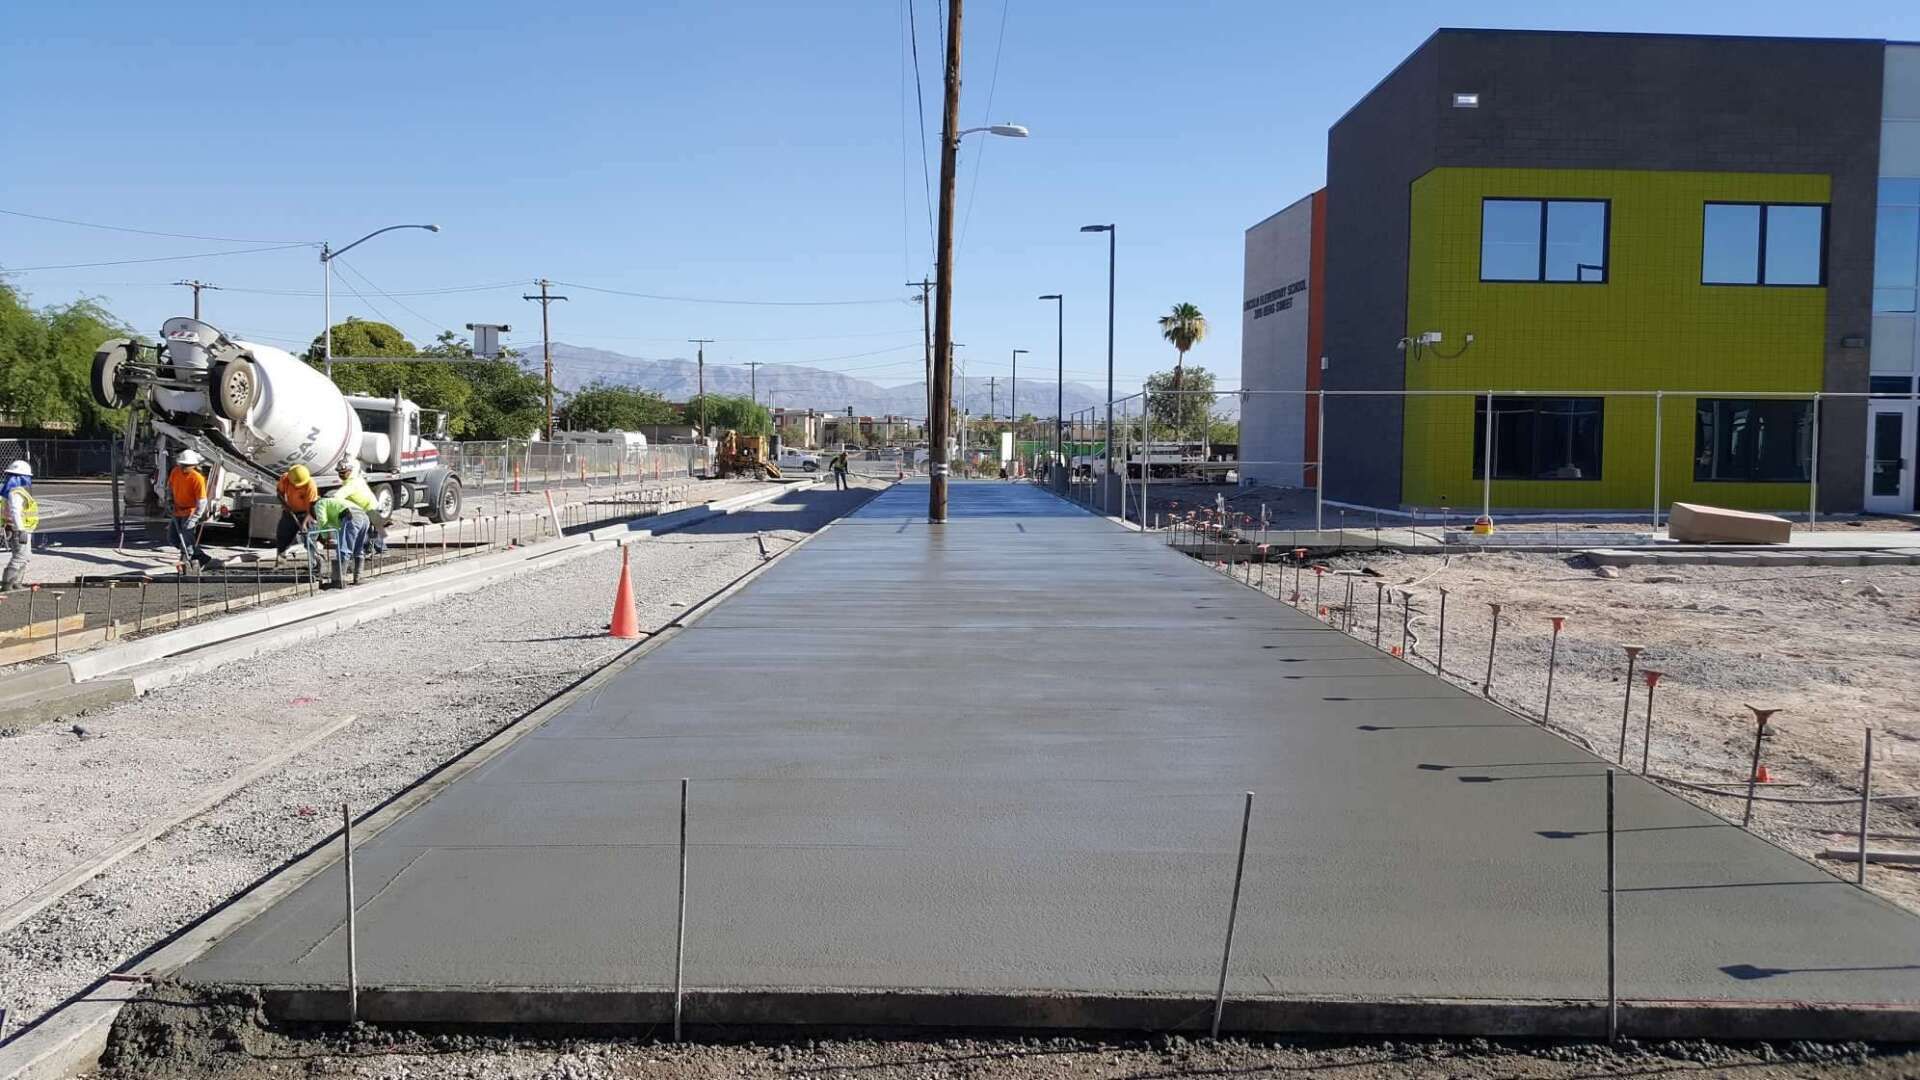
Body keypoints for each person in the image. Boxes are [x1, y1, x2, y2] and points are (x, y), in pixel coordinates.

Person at [167, 450, 217, 569]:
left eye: (187, 466)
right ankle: (202, 557)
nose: (184, 467)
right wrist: (169, 500)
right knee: (172, 538)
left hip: (190, 511)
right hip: (178, 509)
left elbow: (202, 501)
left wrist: (194, 518)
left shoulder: (197, 478)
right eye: (183, 465)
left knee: (187, 538)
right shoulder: (175, 472)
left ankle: (188, 560)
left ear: (193, 465)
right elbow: (170, 487)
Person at [311, 494, 369, 587]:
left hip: (351, 516)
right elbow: (339, 528)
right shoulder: (333, 502)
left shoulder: (319, 504)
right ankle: (358, 578)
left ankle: (339, 581)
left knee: (344, 549)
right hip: (364, 516)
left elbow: (322, 521)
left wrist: (325, 537)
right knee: (358, 548)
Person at [2, 460, 37, 591]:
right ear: (20, 476)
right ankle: (8, 584)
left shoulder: (15, 491)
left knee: (25, 556)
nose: (28, 478)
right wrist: (21, 529)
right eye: (26, 476)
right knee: (20, 556)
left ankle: (16, 582)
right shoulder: (15, 493)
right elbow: (15, 512)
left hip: (21, 529)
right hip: (19, 530)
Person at [274, 463, 320, 564]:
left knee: (309, 539)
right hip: (290, 512)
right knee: (283, 535)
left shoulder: (310, 484)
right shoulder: (285, 478)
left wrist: (304, 523)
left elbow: (312, 507)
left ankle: (314, 563)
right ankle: (281, 561)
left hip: (307, 513)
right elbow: (279, 493)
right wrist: (285, 505)